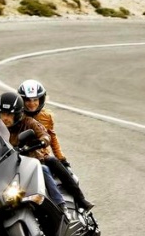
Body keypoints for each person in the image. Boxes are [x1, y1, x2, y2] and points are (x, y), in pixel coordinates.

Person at [17, 79, 94, 211]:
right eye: (28, 100)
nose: (32, 103)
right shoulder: (17, 118)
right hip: (23, 157)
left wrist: (62, 159)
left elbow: (52, 138)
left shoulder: (46, 117)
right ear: (22, 100)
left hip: (42, 157)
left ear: (41, 99)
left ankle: (80, 199)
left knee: (54, 162)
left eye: (35, 100)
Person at [0, 91, 68, 213]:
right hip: (12, 169)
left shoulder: (29, 122)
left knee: (43, 169)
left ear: (17, 114)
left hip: (32, 163)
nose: (5, 118)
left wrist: (42, 141)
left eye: (9, 114)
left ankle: (60, 204)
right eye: (2, 114)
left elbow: (44, 134)